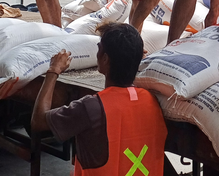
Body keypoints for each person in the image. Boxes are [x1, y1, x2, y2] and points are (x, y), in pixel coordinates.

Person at [31, 22, 167, 176]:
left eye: (99, 49)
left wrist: (53, 71)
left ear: (105, 59)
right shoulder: (152, 102)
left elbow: (38, 121)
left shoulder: (91, 107)